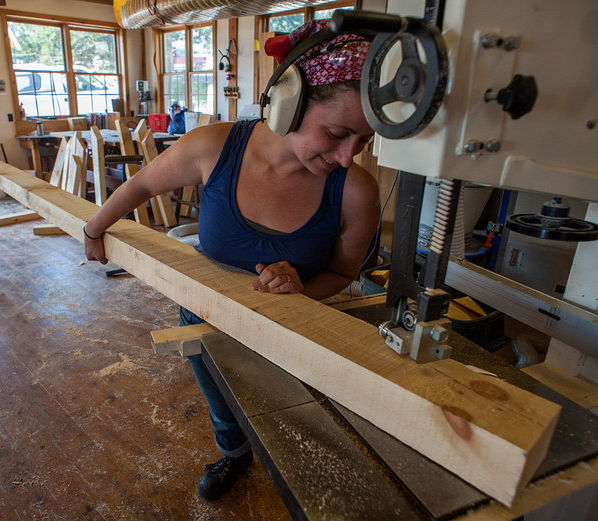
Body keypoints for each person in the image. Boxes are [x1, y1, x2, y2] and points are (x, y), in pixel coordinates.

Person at [84, 20, 380, 500]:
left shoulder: (356, 191)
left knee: (290, 417)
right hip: (205, 313)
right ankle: (233, 453)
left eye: (362, 141)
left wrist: (302, 288)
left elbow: (344, 274)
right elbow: (140, 185)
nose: (348, 156)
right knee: (223, 403)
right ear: (288, 103)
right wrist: (95, 228)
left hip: (289, 325)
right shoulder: (213, 147)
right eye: (337, 133)